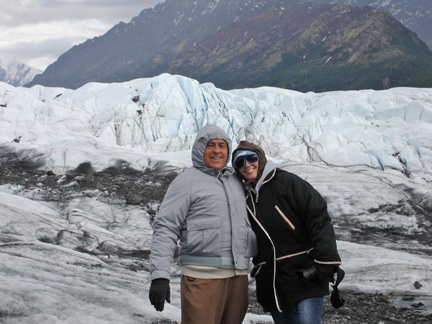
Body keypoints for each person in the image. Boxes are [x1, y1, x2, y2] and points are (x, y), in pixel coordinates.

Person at [148, 125, 258, 324]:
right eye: (211, 145)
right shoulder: (185, 182)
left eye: (222, 146)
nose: (217, 150)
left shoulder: (237, 180)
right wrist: (159, 275)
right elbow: (166, 227)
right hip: (202, 277)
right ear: (200, 149)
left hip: (238, 277)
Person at [232, 140, 342, 324]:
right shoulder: (244, 198)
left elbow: (318, 216)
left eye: (251, 158)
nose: (247, 165)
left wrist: (325, 261)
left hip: (304, 272)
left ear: (261, 158)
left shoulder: (285, 181)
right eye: (239, 163)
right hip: (273, 282)